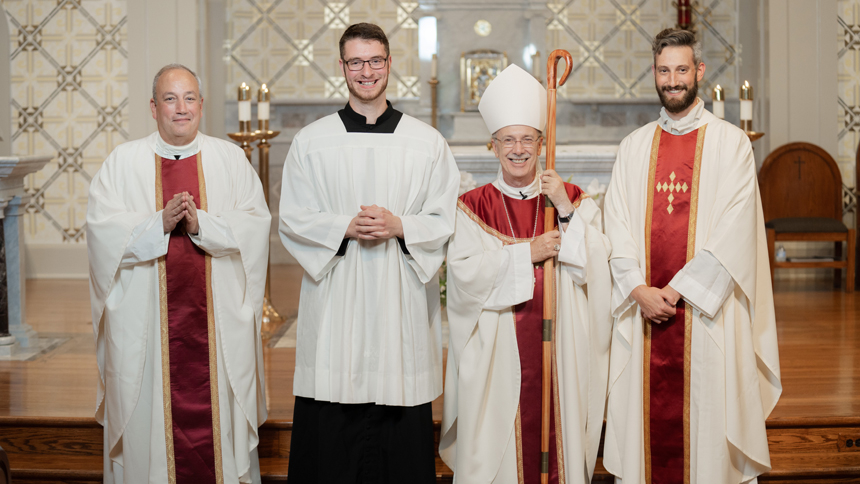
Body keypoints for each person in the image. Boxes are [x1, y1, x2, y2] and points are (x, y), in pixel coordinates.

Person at [278, 23, 459, 483]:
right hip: (337, 296)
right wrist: (343, 225)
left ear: (389, 63)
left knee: (398, 408)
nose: (366, 71)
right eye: (356, 62)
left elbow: (444, 219)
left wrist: (401, 225)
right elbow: (293, 218)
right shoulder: (312, 141)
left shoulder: (426, 142)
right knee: (332, 410)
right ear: (341, 67)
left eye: (375, 60)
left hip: (398, 297)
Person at [602, 28, 782, 483]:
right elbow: (616, 226)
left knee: (707, 429)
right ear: (654, 74)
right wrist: (639, 290)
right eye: (664, 71)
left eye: (682, 69)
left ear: (698, 72)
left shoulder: (731, 144)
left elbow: (735, 232)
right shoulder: (634, 147)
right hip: (645, 313)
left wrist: (678, 290)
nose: (673, 79)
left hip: (705, 318)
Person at [87, 64, 270, 484]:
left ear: (202, 105)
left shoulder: (229, 159)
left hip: (215, 324)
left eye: (189, 98)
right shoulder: (123, 162)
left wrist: (200, 224)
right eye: (170, 99)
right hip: (147, 330)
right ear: (154, 108)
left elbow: (255, 226)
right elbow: (102, 234)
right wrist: (159, 224)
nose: (181, 108)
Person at [439, 64, 613, 484]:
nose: (518, 149)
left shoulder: (571, 200)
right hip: (498, 357)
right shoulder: (471, 206)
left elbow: (598, 267)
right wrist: (527, 254)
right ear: (493, 146)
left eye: (527, 139)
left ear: (542, 143)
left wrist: (565, 211)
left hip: (562, 351)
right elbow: (463, 279)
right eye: (508, 140)